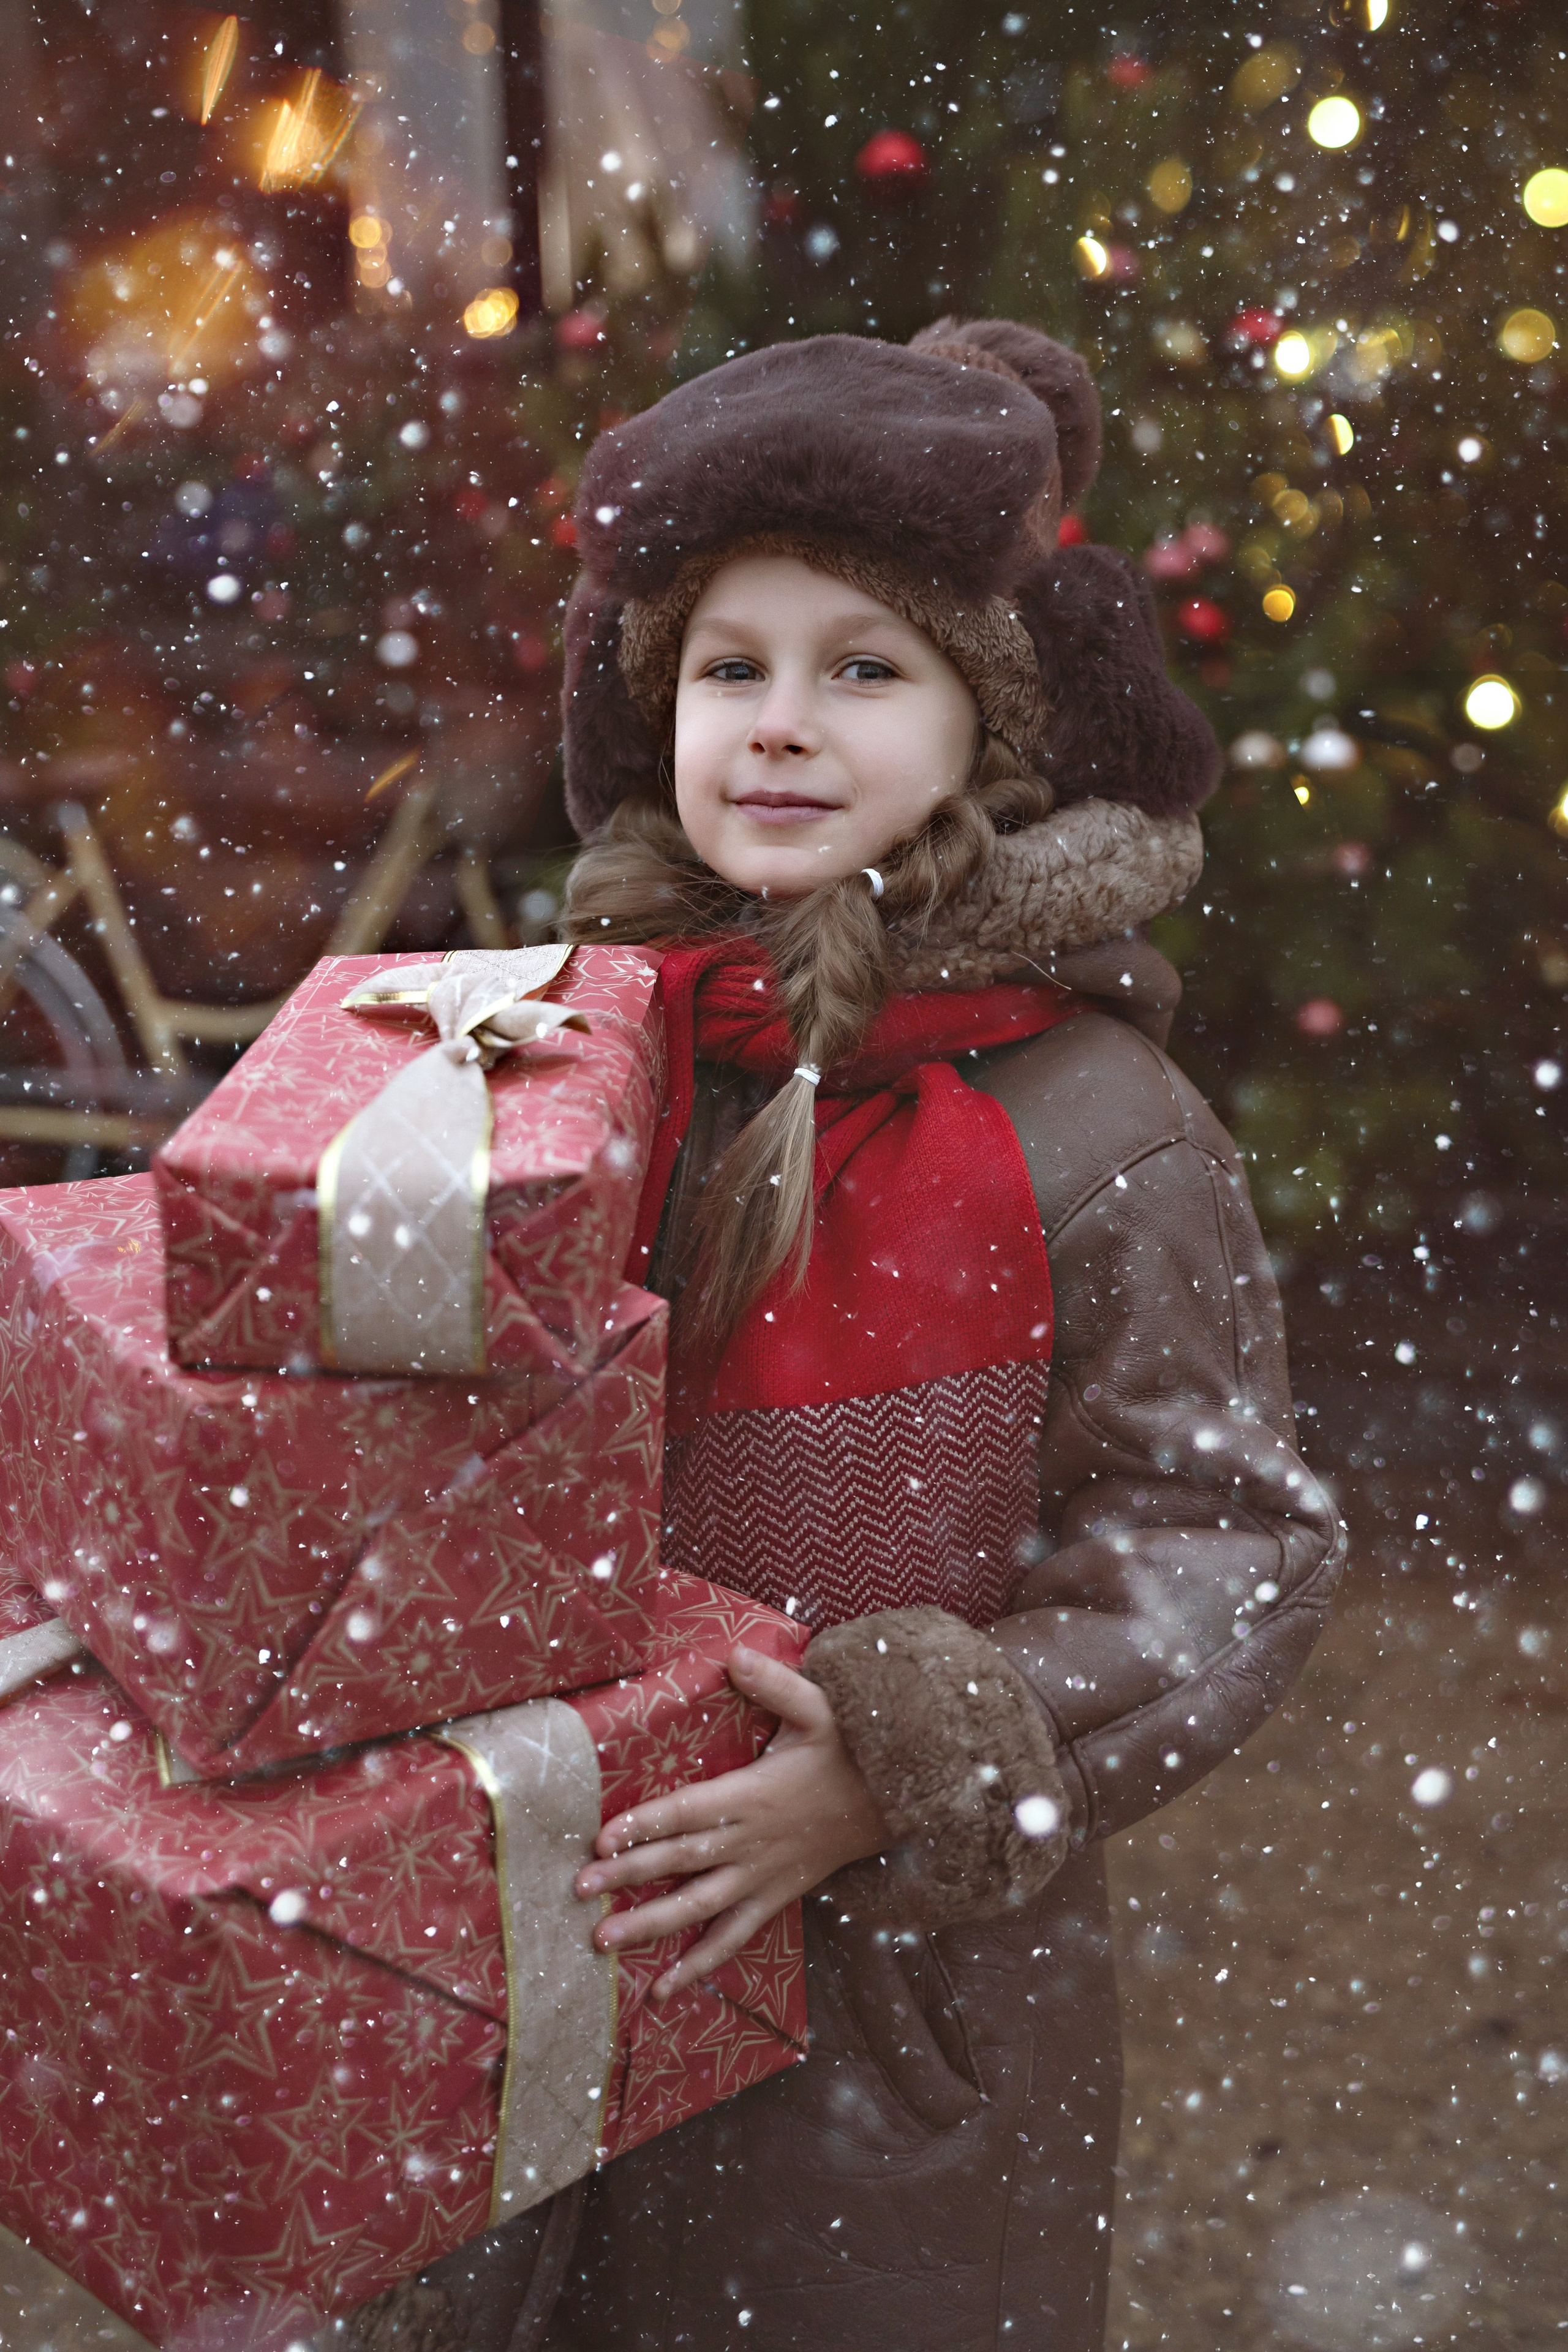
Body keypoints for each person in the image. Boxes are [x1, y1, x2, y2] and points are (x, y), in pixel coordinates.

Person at [368, 318, 1344, 2352]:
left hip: (889, 2011)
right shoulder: (560, 1072)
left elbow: (1225, 1542)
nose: (782, 724)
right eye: (732, 667)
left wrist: (910, 1763)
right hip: (533, 1934)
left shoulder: (1098, 1129)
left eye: (862, 668)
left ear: (988, 726)